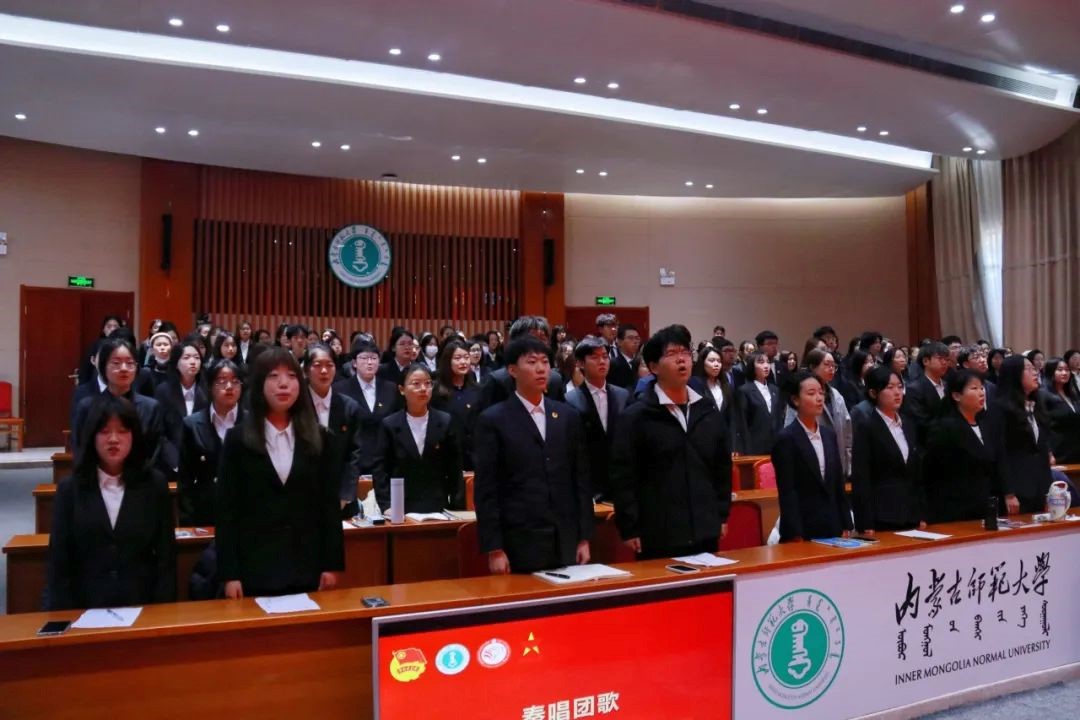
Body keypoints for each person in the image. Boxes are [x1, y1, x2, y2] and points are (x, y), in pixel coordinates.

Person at [217, 347, 344, 598]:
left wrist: (332, 564)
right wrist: (230, 574)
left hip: (307, 566)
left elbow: (329, 505)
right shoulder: (237, 439)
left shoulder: (320, 438)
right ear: (259, 385)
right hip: (254, 568)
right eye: (274, 376)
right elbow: (227, 511)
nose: (284, 384)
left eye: (291, 376)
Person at [610, 325, 732, 559]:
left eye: (685, 352)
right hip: (657, 532)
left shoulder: (707, 410)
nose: (681, 359)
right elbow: (623, 476)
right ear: (654, 366)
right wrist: (629, 526)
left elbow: (721, 468)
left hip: (705, 527)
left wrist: (721, 514)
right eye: (672, 354)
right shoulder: (636, 416)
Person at [474, 335, 592, 574]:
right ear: (512, 370)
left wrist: (584, 537)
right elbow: (486, 489)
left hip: (565, 537)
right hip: (519, 539)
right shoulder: (494, 419)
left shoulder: (567, 416)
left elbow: (580, 480)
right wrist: (494, 548)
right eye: (531, 362)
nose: (541, 368)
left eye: (545, 362)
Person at [46, 394, 176, 610]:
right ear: (92, 436)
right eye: (105, 431)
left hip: (142, 605)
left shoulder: (154, 485)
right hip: (85, 607)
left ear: (134, 436)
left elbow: (166, 558)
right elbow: (59, 561)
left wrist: (162, 612)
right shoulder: (70, 489)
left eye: (122, 431)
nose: (114, 439)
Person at [772, 371, 853, 542]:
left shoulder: (829, 435)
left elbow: (838, 483)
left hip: (832, 525)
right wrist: (795, 533)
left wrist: (846, 522)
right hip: (803, 528)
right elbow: (787, 491)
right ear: (796, 400)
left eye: (821, 393)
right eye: (811, 393)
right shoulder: (786, 438)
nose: (819, 398)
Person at [373, 364, 465, 513]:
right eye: (416, 384)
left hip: (438, 505)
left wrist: (456, 505)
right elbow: (381, 469)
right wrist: (386, 506)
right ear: (402, 389)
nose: (423, 389)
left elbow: (455, 466)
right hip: (400, 505)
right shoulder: (389, 424)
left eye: (428, 383)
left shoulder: (445, 421)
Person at [922, 369, 1004, 523]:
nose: (981, 393)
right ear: (956, 396)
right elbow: (931, 472)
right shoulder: (943, 428)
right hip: (955, 509)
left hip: (985, 506)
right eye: (974, 388)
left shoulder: (987, 424)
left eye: (982, 388)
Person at [851, 367, 924, 534]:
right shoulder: (867, 427)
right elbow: (862, 476)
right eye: (890, 388)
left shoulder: (908, 423)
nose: (897, 392)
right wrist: (865, 522)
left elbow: (916, 473)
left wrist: (922, 512)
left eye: (900, 386)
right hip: (882, 515)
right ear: (873, 393)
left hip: (911, 513)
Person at [72, 339, 166, 466]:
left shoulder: (151, 407)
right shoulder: (87, 407)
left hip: (140, 474)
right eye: (116, 363)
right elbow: (80, 449)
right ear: (103, 367)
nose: (124, 368)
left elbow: (154, 451)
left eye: (130, 363)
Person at [333, 338, 399, 511]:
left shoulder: (391, 388)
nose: (369, 362)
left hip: (383, 462)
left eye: (374, 358)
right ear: (354, 363)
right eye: (364, 358)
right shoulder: (340, 389)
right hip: (355, 462)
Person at [178, 359, 244, 526]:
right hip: (204, 513)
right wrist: (189, 520)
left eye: (235, 381)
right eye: (221, 381)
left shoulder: (253, 423)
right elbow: (185, 480)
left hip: (244, 515)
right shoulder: (191, 424)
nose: (229, 386)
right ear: (210, 386)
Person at [984, 355, 1053, 514]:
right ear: (1014, 375)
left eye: (1034, 368)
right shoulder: (1000, 408)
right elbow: (1000, 453)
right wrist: (1008, 493)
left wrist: (1048, 491)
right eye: (1028, 369)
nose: (1035, 372)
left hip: (1040, 487)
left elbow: (1041, 450)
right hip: (1016, 490)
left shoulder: (1037, 404)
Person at [566, 337, 629, 502]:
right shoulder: (570, 399)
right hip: (589, 482)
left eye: (605, 356)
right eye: (594, 357)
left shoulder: (623, 395)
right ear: (580, 363)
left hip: (620, 480)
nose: (602, 362)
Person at [305, 344, 363, 515]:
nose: (324, 371)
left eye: (329, 365)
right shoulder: (296, 406)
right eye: (317, 365)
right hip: (303, 498)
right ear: (306, 369)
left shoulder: (349, 407)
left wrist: (345, 495)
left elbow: (355, 454)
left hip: (341, 500)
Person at [786, 348, 853, 477]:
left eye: (834, 366)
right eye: (827, 364)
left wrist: (848, 463)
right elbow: (790, 427)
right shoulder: (800, 393)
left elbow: (847, 430)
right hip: (809, 463)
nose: (831, 369)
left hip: (837, 462)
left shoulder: (836, 394)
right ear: (812, 367)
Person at [479, 316, 567, 408]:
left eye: (542, 339)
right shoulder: (497, 381)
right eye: (533, 339)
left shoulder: (554, 380)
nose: (538, 344)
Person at [154, 340, 208, 476]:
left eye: (196, 358)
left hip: (203, 460)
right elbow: (159, 431)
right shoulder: (163, 391)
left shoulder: (208, 391)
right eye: (186, 357)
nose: (193, 362)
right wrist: (174, 460)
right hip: (172, 461)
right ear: (176, 362)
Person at [432, 339, 482, 470]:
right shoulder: (436, 391)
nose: (463, 362)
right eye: (458, 358)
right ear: (448, 361)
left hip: (474, 456)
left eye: (466, 357)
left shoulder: (477, 390)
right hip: (446, 456)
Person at [903, 341, 950, 447]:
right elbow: (921, 422)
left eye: (947, 359)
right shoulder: (914, 389)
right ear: (925, 361)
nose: (944, 363)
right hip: (928, 445)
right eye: (940, 358)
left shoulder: (948, 385)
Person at [735, 351, 783, 455]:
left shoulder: (775, 389)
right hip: (755, 446)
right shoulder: (745, 390)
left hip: (776, 446)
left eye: (768, 362)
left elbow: (779, 418)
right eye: (761, 362)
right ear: (752, 366)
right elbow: (742, 423)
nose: (766, 366)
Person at [1040, 357, 1080, 464]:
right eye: (1060, 370)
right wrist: (1048, 452)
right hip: (1057, 451)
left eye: (1067, 370)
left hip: (1075, 449)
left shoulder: (1073, 394)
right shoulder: (1043, 394)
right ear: (1051, 372)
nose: (1064, 373)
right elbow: (1042, 427)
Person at [77, 314, 123, 384]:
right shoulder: (96, 346)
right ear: (103, 330)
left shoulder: (125, 347)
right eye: (109, 326)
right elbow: (86, 369)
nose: (112, 329)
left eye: (115, 326)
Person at [608, 324, 641, 390]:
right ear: (619, 342)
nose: (635, 341)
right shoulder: (613, 364)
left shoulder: (640, 363)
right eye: (630, 338)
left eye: (637, 338)